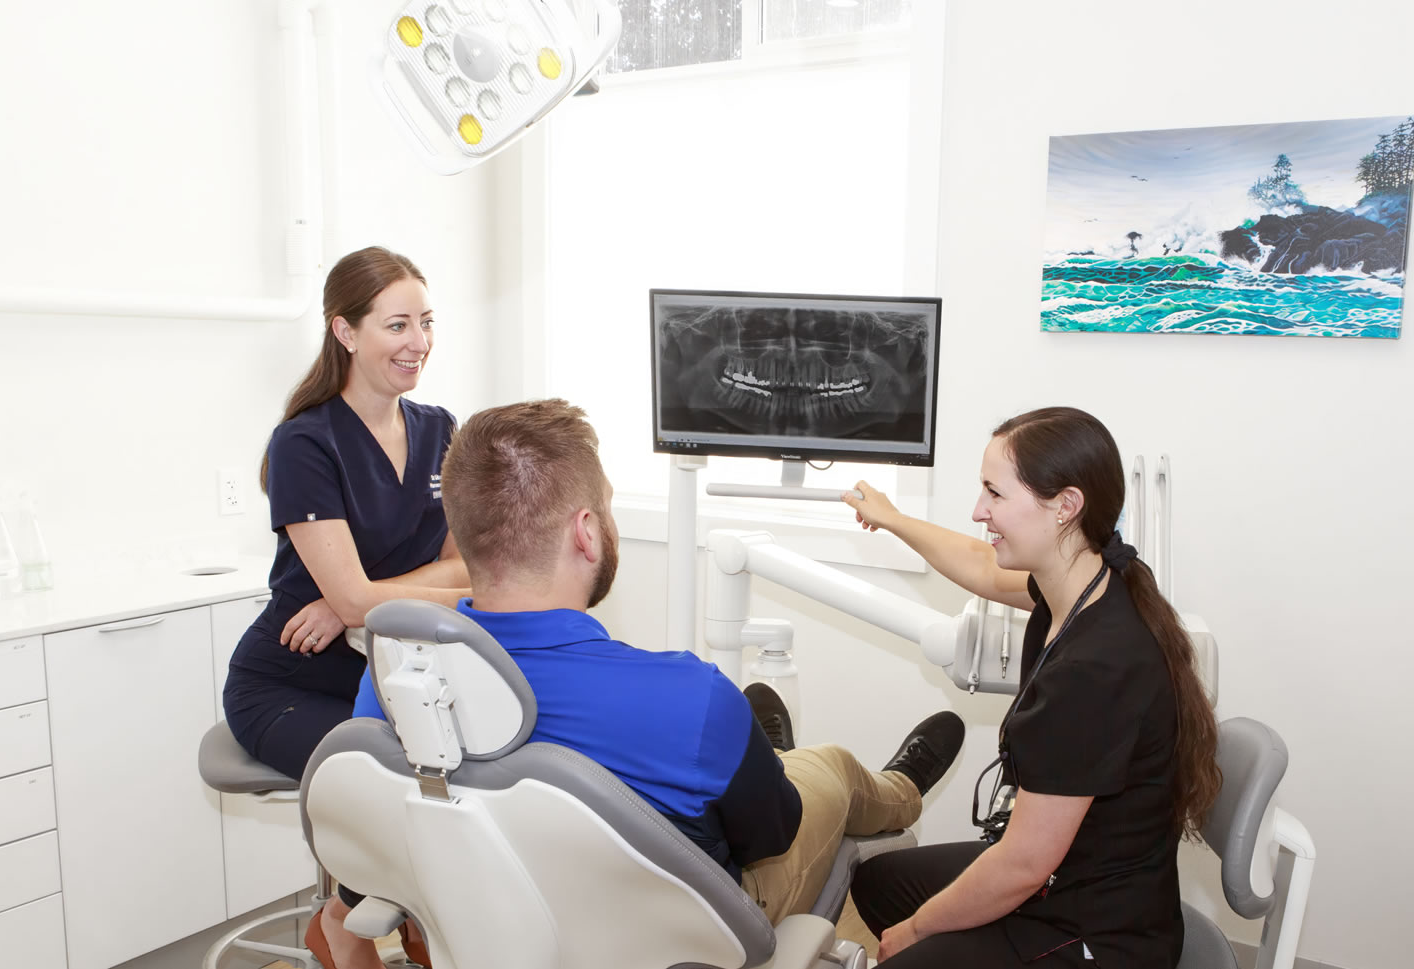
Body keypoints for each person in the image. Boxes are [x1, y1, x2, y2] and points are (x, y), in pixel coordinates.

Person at [348, 398, 967, 929]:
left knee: (746, 758)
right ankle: (896, 789)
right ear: (586, 532)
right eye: (610, 510)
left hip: (493, 922)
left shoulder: (400, 679)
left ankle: (760, 758)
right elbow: (772, 840)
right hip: (685, 935)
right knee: (826, 770)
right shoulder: (689, 696)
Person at [840, 406, 1221, 969]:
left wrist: (916, 931)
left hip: (1097, 932)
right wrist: (894, 519)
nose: (978, 511)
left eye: (995, 494)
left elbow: (1022, 865)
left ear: (1065, 506)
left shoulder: (1094, 669)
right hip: (1063, 877)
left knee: (906, 945)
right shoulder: (1088, 581)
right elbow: (979, 564)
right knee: (880, 883)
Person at [220, 246, 469, 969]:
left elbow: (463, 567)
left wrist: (352, 601)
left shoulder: (440, 428)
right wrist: (349, 598)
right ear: (346, 331)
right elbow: (384, 588)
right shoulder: (306, 440)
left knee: (460, 776)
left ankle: (393, 920)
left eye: (425, 321)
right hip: (291, 684)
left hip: (390, 678)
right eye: (397, 324)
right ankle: (348, 922)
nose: (418, 341)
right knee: (397, 782)